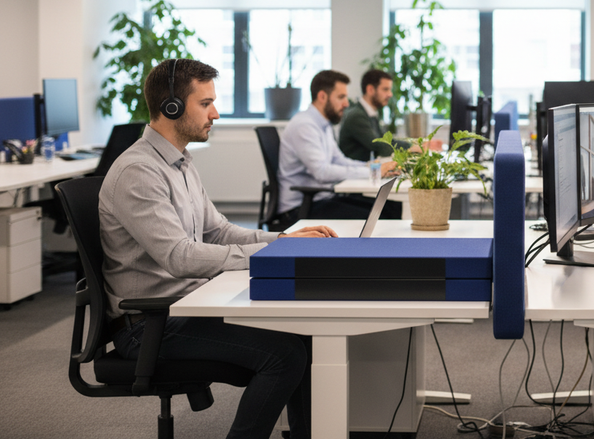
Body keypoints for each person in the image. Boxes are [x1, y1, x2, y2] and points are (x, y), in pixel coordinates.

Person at [100, 58, 338, 439]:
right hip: (149, 325)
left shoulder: (180, 162)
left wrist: (284, 241)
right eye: (205, 103)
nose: (216, 113)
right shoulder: (139, 172)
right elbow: (180, 257)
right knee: (285, 355)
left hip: (187, 306)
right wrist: (269, 256)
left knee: (303, 330)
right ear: (171, 107)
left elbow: (218, 231)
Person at [277, 70, 397, 222]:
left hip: (321, 199)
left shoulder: (323, 124)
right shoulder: (304, 126)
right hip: (300, 209)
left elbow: (339, 160)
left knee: (390, 207)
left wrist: (373, 167)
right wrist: (374, 171)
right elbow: (322, 172)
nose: (346, 103)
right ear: (322, 97)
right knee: (381, 215)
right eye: (341, 97)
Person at [338, 68, 442, 161]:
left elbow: (387, 140)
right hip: (355, 173)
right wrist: (413, 149)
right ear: (370, 90)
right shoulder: (357, 116)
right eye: (385, 89)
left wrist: (416, 145)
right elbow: (380, 146)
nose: (390, 94)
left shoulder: (370, 113)